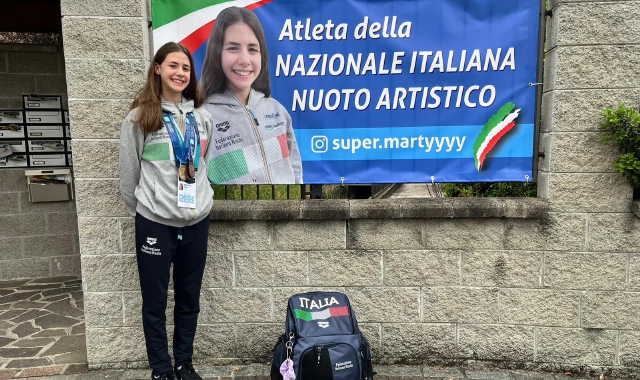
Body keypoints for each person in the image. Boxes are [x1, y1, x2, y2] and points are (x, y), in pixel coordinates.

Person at [119, 42, 214, 380]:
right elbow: (129, 175)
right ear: (158, 69)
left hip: (196, 222)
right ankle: (161, 370)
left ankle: (183, 363)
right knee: (155, 303)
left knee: (189, 300)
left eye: (185, 68)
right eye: (173, 65)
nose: (180, 73)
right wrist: (148, 210)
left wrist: (202, 201)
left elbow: (204, 166)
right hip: (154, 224)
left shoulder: (203, 120)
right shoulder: (140, 117)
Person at [199, 6, 303, 185]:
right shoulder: (201, 117)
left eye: (253, 49)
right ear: (217, 53)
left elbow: (294, 169)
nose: (245, 60)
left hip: (285, 213)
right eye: (233, 48)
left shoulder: (277, 110)